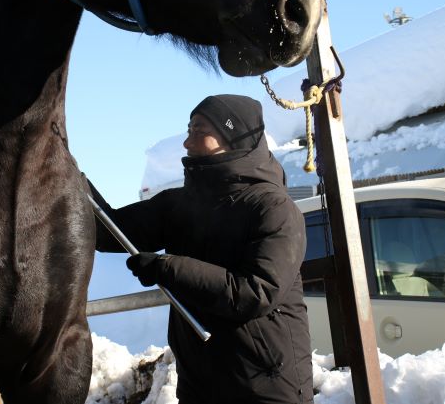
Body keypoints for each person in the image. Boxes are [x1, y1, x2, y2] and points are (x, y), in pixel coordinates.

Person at [88, 94, 312, 404]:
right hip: (199, 382)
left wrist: (167, 268)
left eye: (199, 130)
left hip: (262, 384)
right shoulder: (179, 205)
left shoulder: (273, 208)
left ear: (231, 137)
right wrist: (72, 182)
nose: (187, 142)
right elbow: (107, 231)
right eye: (188, 129)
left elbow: (255, 293)